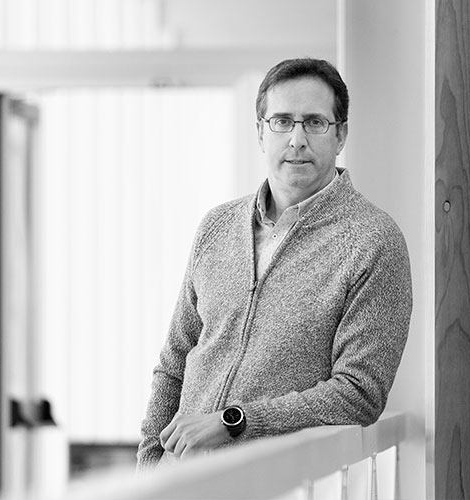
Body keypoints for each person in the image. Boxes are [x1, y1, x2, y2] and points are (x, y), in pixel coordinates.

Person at [136, 58, 412, 468]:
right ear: (260, 133)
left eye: (315, 123)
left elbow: (358, 393)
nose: (297, 139)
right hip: (183, 481)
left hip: (280, 482)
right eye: (282, 121)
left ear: (340, 135)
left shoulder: (372, 240)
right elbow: (175, 361)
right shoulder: (217, 227)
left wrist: (235, 422)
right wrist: (147, 469)